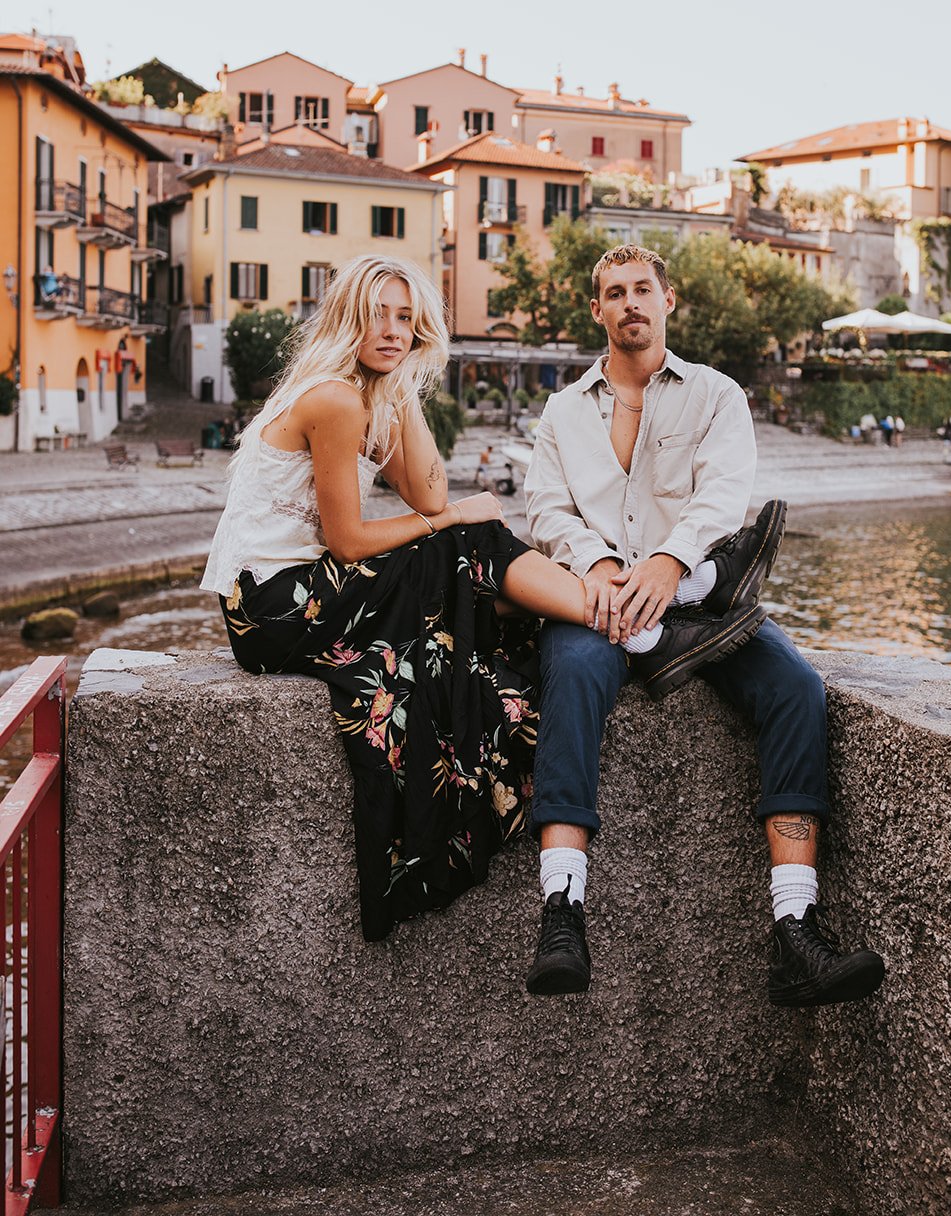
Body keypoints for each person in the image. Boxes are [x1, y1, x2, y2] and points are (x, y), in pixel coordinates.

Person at [201, 255, 763, 942]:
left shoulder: (366, 396)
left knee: (479, 568)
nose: (393, 330)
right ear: (347, 315)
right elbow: (351, 541)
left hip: (303, 597)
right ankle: (641, 628)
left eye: (406, 319)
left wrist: (404, 389)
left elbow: (429, 491)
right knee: (465, 544)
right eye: (379, 314)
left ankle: (633, 621)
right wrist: (448, 522)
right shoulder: (335, 400)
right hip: (275, 607)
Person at [523, 244, 886, 1008]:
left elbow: (722, 498)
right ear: (596, 310)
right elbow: (546, 509)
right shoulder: (561, 410)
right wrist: (595, 565)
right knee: (577, 673)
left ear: (667, 300)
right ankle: (562, 913)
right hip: (595, 598)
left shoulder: (716, 395)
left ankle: (794, 929)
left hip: (695, 602)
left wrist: (667, 562)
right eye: (614, 292)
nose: (629, 303)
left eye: (642, 290)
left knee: (795, 688)